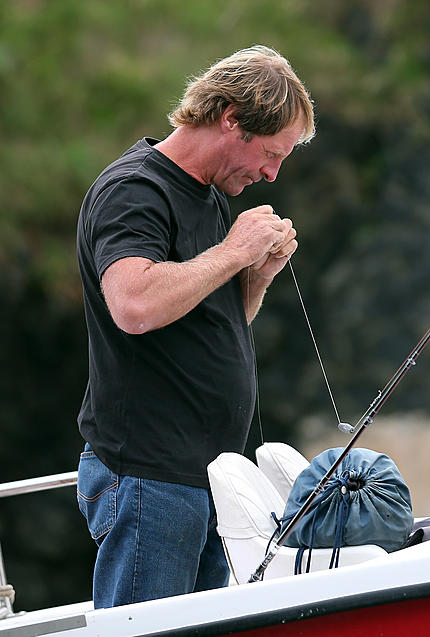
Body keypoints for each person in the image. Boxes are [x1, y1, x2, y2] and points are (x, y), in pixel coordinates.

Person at [74, 45, 315, 608]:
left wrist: (254, 277)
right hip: (149, 479)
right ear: (231, 118)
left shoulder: (210, 196)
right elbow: (133, 305)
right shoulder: (135, 191)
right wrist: (233, 253)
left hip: (211, 480)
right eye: (272, 154)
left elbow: (212, 325)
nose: (272, 174)